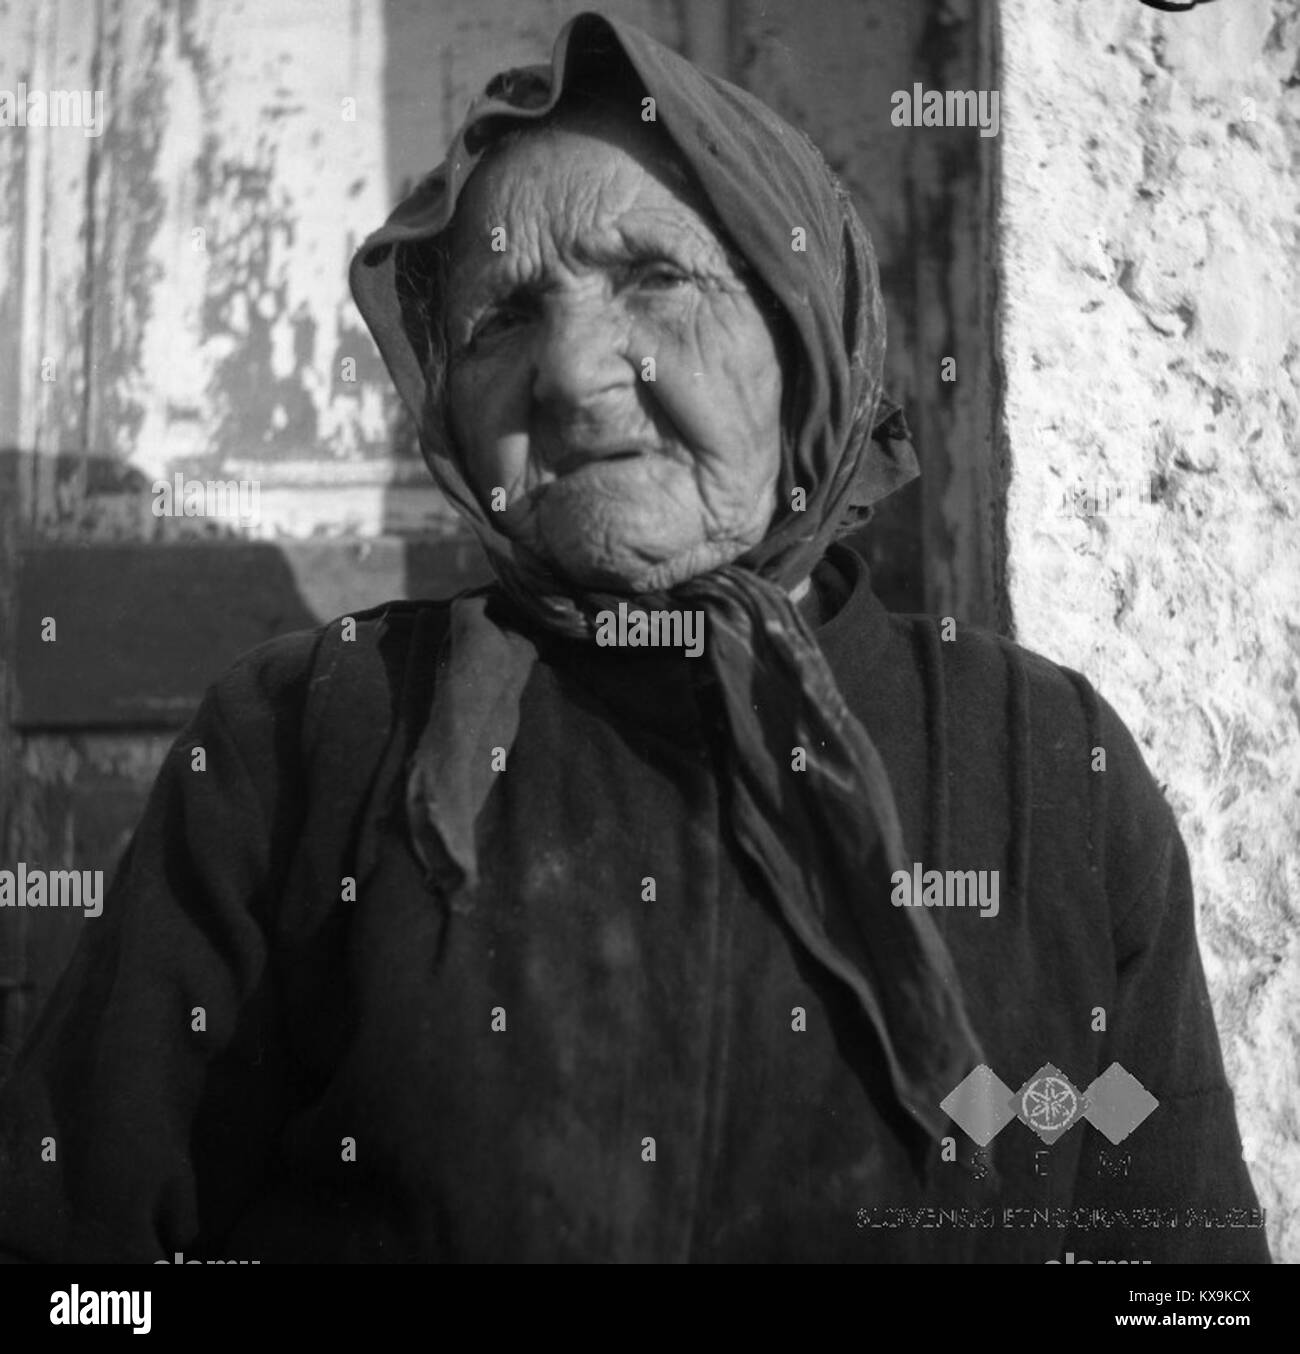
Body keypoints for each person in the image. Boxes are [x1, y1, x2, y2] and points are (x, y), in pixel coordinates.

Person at [0, 12, 1268, 1263]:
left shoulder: (1044, 763)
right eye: (499, 321)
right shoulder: (305, 736)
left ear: (803, 331)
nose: (571, 374)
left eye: (655, 278)